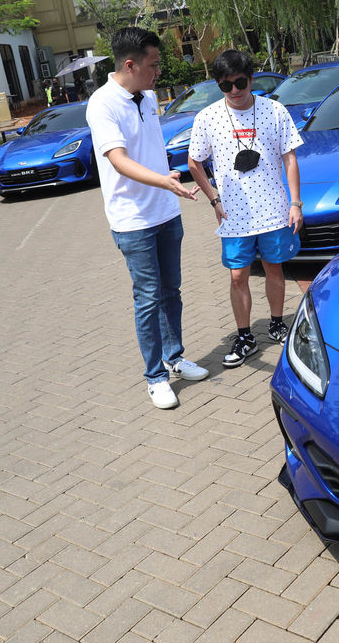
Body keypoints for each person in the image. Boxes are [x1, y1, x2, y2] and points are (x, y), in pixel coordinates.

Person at [85, 26, 207, 409]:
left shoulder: (148, 96)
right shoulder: (102, 104)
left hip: (166, 211)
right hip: (133, 219)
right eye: (153, 65)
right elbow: (118, 161)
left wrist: (166, 176)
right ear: (129, 64)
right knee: (149, 298)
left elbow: (148, 150)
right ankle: (155, 377)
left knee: (172, 291)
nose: (158, 72)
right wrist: (163, 181)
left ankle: (174, 357)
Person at [188, 50, 304, 369]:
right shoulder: (207, 118)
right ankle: (245, 336)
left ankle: (278, 323)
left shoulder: (274, 111)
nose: (235, 91)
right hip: (234, 215)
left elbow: (290, 158)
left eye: (240, 82)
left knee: (274, 267)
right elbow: (194, 162)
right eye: (226, 85)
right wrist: (214, 199)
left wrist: (295, 203)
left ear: (252, 79)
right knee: (238, 275)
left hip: (273, 209)